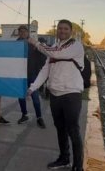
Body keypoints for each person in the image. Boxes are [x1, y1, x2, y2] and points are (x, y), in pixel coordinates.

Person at [27, 19, 84, 171]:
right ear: (56, 31)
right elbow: (45, 70)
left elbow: (57, 54)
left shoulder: (75, 46)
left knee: (73, 130)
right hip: (55, 95)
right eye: (60, 29)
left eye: (66, 29)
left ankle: (78, 166)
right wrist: (33, 88)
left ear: (70, 31)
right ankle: (64, 158)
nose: (62, 31)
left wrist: (36, 43)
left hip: (71, 94)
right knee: (60, 128)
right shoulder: (53, 47)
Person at [16, 25, 46, 128]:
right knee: (21, 97)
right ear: (18, 33)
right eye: (21, 31)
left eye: (25, 31)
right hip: (21, 75)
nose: (23, 33)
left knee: (35, 97)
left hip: (33, 74)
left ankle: (39, 117)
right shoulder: (16, 44)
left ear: (27, 32)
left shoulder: (33, 43)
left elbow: (42, 55)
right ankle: (24, 115)